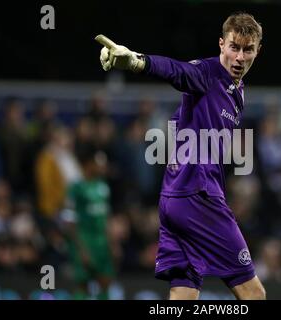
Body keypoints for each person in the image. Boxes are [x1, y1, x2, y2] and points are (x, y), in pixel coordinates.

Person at [95, 12, 266, 300]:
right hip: (198, 197)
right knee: (254, 294)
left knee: (184, 295)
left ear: (257, 51)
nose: (239, 57)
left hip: (173, 200)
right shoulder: (208, 74)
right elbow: (176, 71)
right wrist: (137, 61)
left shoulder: (238, 90)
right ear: (222, 44)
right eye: (234, 47)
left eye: (247, 49)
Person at [61, 147, 114, 300]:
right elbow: (69, 221)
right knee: (82, 286)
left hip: (102, 243)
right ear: (88, 164)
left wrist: (112, 243)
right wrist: (81, 249)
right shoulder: (75, 188)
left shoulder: (103, 186)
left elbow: (106, 217)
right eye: (99, 163)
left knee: (105, 282)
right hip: (84, 240)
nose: (103, 167)